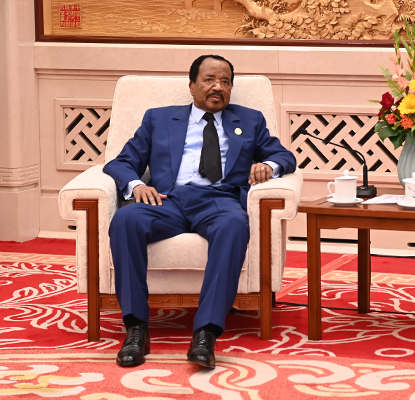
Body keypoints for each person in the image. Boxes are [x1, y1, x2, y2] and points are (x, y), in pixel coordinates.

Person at [103, 55, 296, 369]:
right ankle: (137, 329)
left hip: (219, 201)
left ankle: (206, 333)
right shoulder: (159, 119)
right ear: (192, 84)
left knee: (235, 226)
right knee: (126, 220)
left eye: (225, 82)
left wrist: (268, 165)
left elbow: (283, 156)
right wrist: (137, 184)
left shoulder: (249, 120)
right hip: (168, 200)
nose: (217, 87)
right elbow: (121, 162)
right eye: (209, 80)